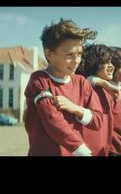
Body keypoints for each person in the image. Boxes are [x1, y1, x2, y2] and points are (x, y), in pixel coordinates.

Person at [24, 18, 106, 156]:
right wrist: (81, 149)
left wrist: (77, 109)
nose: (76, 61)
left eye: (79, 54)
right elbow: (52, 119)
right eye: (69, 55)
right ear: (49, 54)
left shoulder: (81, 82)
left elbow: (98, 120)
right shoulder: (39, 80)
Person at [75, 43, 115, 156]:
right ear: (94, 64)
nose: (111, 66)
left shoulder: (107, 90)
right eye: (105, 62)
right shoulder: (83, 87)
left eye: (111, 62)